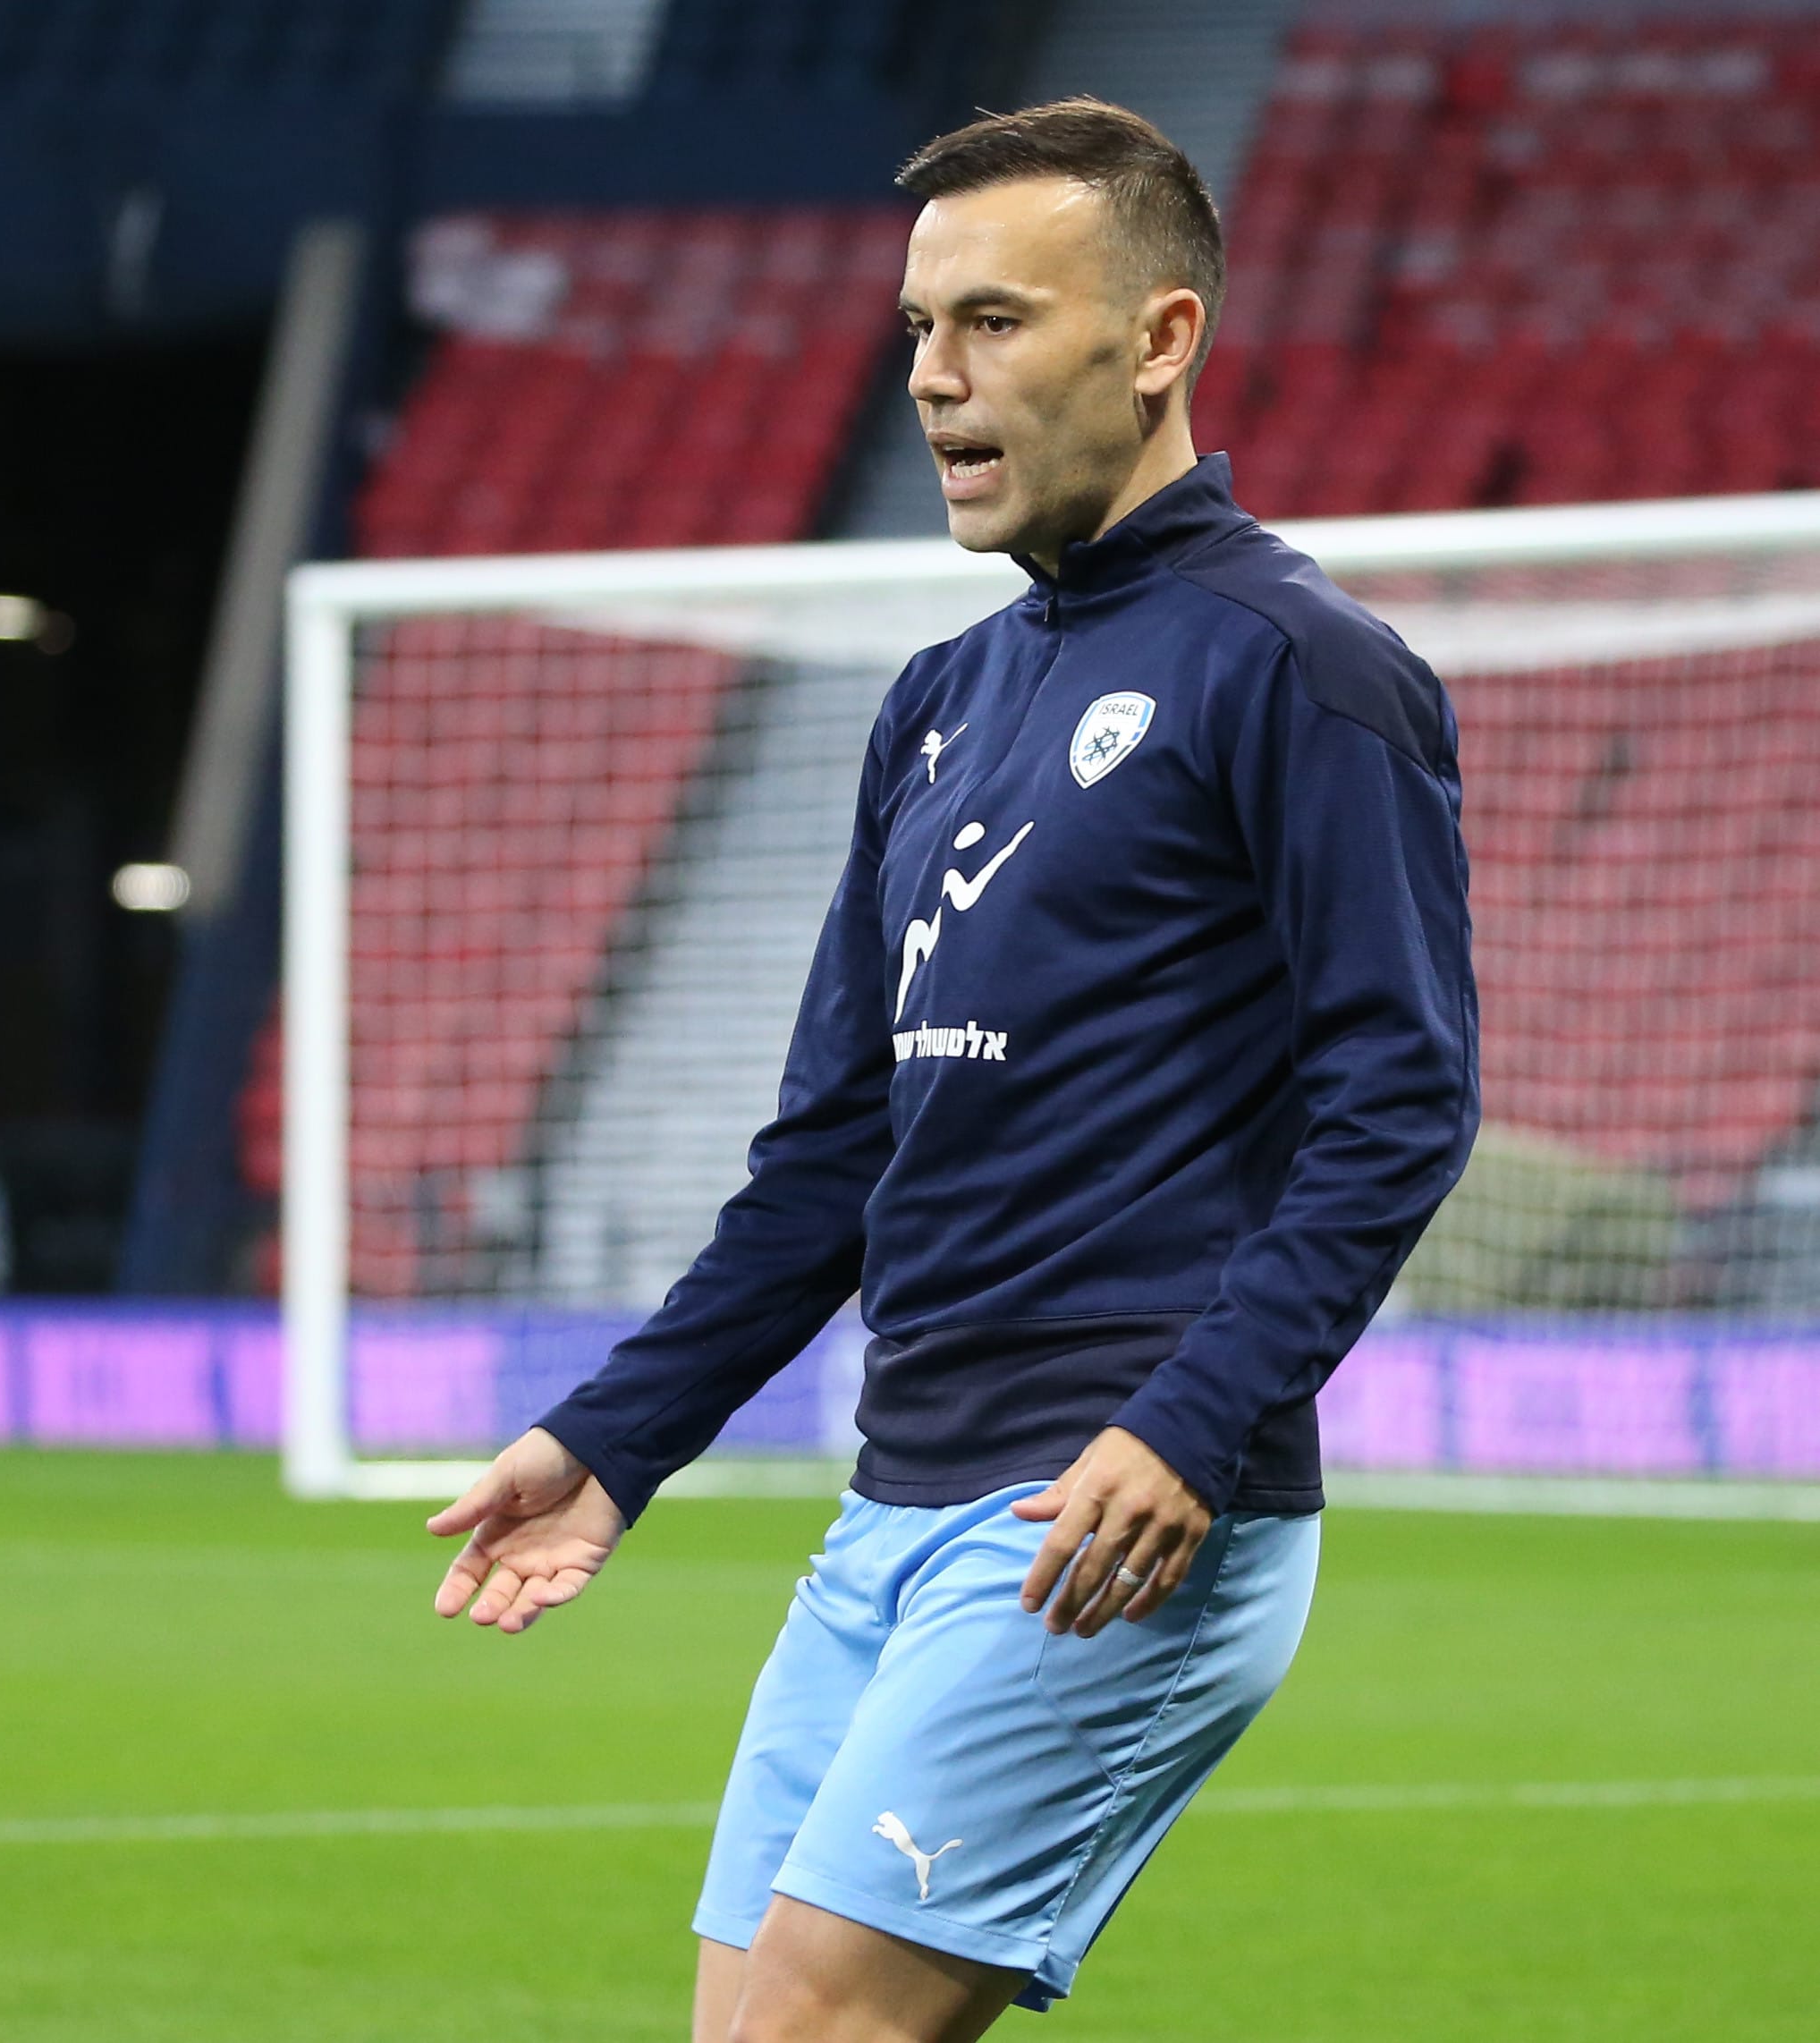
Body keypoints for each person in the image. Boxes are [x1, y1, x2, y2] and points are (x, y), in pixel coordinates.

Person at [429, 97, 1477, 2042]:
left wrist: (1190, 1423)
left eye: (992, 321)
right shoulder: (937, 699)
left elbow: (1399, 1099)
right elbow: (836, 1148)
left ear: (1157, 338)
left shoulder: (1297, 664)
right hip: (893, 1493)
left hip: (1108, 1507)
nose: (930, 377)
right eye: (918, 328)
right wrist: (617, 1436)